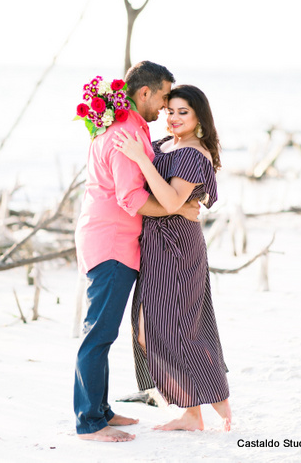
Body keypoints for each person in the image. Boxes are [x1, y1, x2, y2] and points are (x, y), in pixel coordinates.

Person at [73, 62, 199, 443]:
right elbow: (131, 199)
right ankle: (88, 423)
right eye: (163, 96)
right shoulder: (124, 132)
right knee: (98, 334)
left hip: (115, 240)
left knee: (104, 332)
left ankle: (101, 410)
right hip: (111, 242)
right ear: (144, 93)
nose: (165, 106)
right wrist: (178, 207)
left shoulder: (132, 128)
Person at [113, 84, 231, 432]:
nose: (174, 118)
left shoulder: (195, 154)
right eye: (170, 111)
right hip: (156, 245)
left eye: (184, 112)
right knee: (154, 326)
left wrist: (139, 159)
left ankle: (203, 405)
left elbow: (168, 202)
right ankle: (197, 407)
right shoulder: (165, 145)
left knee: (174, 326)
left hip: (177, 248)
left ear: (199, 118)